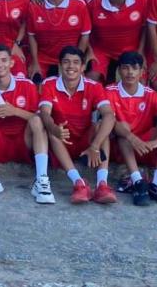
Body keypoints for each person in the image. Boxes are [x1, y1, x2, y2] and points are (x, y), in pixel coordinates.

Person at [0, 45, 53, 203]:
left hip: (24, 141)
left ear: (11, 63)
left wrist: (14, 111)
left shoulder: (27, 85)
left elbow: (41, 118)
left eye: (4, 60)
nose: (0, 65)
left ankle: (42, 181)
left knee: (37, 120)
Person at [38, 47, 116, 204]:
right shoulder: (49, 84)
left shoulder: (94, 86)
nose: (70, 66)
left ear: (82, 67)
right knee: (52, 130)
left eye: (75, 63)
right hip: (63, 140)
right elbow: (44, 113)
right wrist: (53, 128)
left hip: (86, 141)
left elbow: (109, 115)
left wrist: (94, 146)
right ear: (60, 65)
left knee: (103, 125)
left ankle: (102, 184)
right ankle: (79, 183)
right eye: (66, 62)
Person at [107, 51, 157, 207]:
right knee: (123, 128)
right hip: (124, 147)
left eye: (134, 68)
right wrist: (132, 138)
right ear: (119, 70)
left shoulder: (150, 94)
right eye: (125, 68)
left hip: (147, 147)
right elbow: (110, 122)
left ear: (142, 72)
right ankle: (137, 181)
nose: (130, 72)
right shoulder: (109, 91)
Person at [26, 0, 91, 80]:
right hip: (44, 57)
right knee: (35, 84)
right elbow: (32, 37)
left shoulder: (79, 5)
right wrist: (35, 62)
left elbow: (85, 35)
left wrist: (77, 60)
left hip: (70, 56)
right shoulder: (34, 6)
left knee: (76, 84)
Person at [85, 0, 148, 84]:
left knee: (140, 82)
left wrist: (141, 51)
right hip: (101, 50)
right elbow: (85, 30)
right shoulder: (93, 1)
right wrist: (89, 50)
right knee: (91, 81)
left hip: (131, 49)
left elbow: (145, 27)